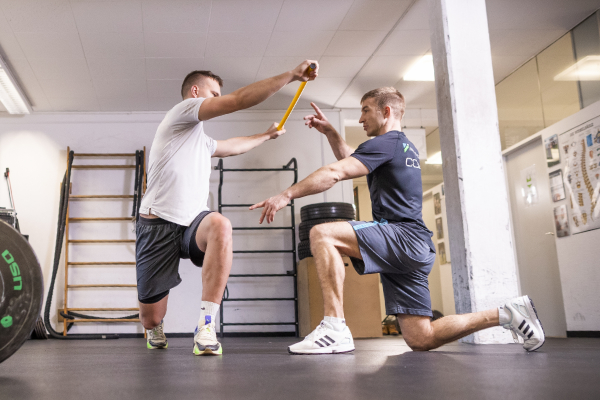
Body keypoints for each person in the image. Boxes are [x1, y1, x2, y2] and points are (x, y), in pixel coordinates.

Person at [250, 87, 545, 355]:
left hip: (401, 235)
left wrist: (286, 194)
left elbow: (335, 172)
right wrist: (330, 133)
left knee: (322, 233)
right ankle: (507, 313)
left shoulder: (387, 142)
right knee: (422, 337)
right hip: (414, 246)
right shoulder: (402, 146)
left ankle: (335, 326)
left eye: (366, 110)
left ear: (386, 111)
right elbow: (354, 163)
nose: (361, 118)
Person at [137, 60, 319, 355]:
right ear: (195, 92)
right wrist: (291, 75)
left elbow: (231, 146)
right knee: (152, 316)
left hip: (192, 222)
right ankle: (154, 327)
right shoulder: (181, 114)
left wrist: (265, 135)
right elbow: (237, 101)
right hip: (157, 225)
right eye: (214, 93)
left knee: (221, 223)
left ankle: (206, 326)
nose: (219, 99)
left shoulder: (199, 139)